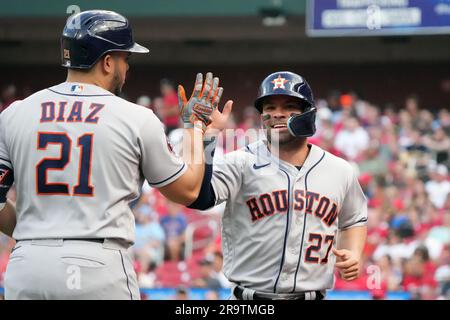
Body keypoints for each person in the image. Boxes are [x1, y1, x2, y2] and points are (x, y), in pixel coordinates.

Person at [0, 10, 232, 300]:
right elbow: (189, 191)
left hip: (29, 265)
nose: (127, 67)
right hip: (99, 264)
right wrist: (198, 131)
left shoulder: (15, 113)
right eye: (125, 58)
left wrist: (31, 233)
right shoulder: (136, 117)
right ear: (108, 62)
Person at [188, 71, 368, 300]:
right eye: (269, 108)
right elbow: (198, 196)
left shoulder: (339, 170)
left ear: (308, 113)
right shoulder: (240, 162)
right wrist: (201, 137)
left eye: (288, 106)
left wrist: (352, 253)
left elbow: (354, 219)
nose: (277, 114)